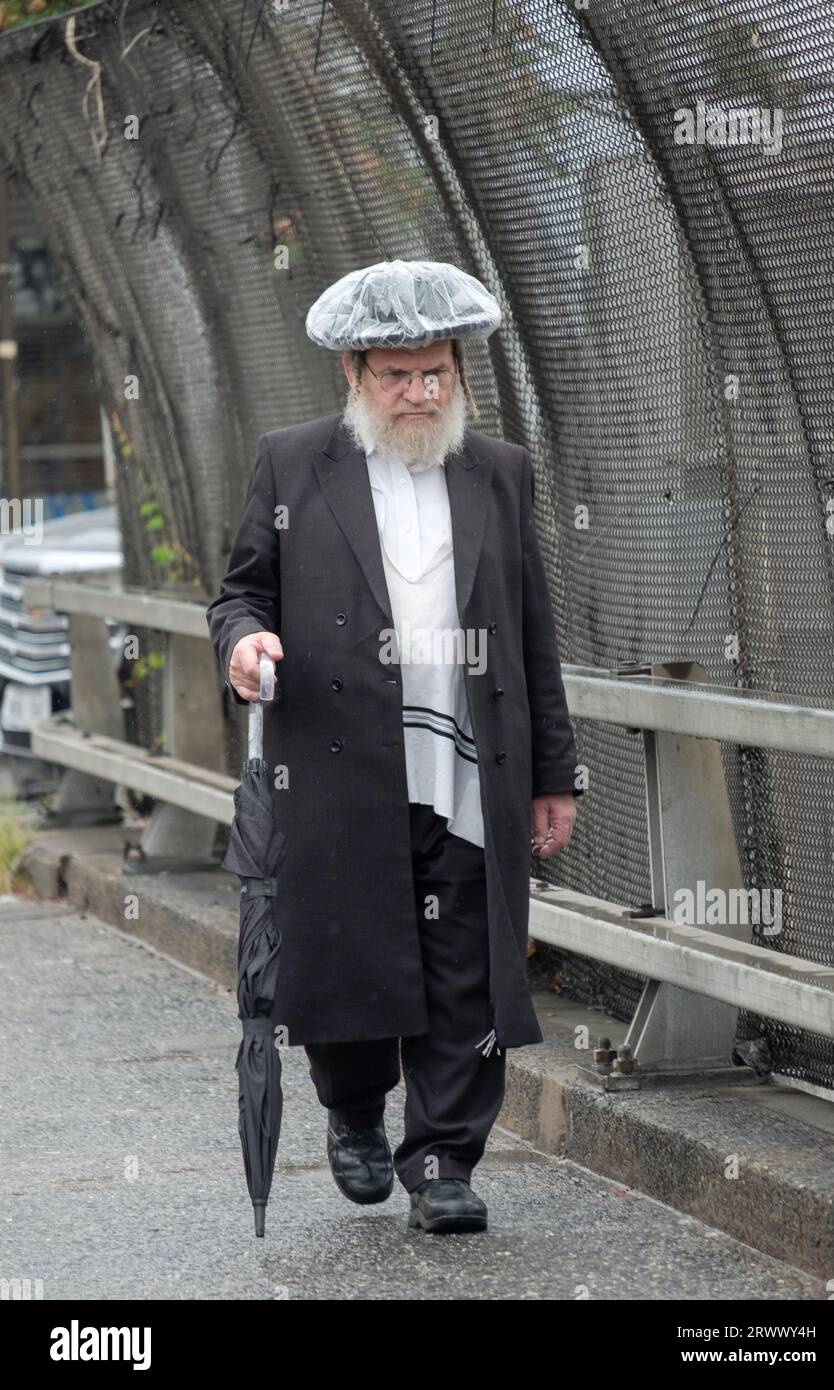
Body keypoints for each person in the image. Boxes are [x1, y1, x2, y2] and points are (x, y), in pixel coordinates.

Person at [206, 259, 578, 1235]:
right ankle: (355, 1114)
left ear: (457, 370)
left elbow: (533, 627)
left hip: (466, 767)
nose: (418, 394)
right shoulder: (293, 464)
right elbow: (239, 588)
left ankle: (446, 1156)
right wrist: (245, 643)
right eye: (395, 376)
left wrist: (552, 772)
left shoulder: (498, 469)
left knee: (465, 964)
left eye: (435, 374)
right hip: (335, 763)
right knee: (351, 951)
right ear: (352, 374)